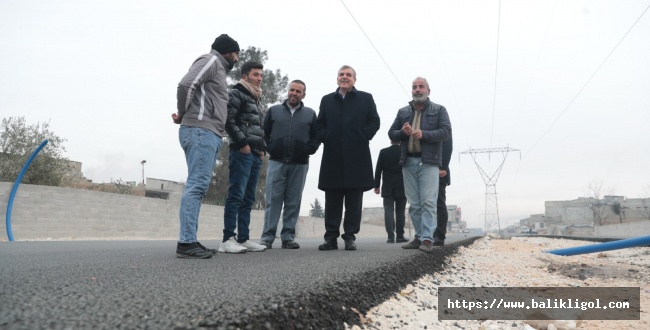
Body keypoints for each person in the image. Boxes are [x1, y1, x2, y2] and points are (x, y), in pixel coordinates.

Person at [173, 34, 240, 259]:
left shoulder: (218, 69)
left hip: (207, 132)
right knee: (196, 185)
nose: (237, 59)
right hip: (200, 130)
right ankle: (186, 242)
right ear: (228, 52)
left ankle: (190, 239)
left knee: (198, 186)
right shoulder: (211, 61)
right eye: (236, 54)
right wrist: (183, 112)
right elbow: (186, 84)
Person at [316, 65, 380, 251]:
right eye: (341, 75)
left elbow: (374, 121)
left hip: (357, 156)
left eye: (348, 75)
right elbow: (320, 123)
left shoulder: (365, 98)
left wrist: (364, 135)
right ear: (337, 79)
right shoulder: (327, 100)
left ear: (354, 79)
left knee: (354, 200)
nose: (345, 77)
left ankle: (350, 236)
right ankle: (331, 238)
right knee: (332, 200)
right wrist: (324, 136)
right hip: (333, 156)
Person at [388, 76, 451, 253]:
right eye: (414, 87)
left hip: (429, 161)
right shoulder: (403, 112)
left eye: (421, 87)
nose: (417, 89)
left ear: (428, 91)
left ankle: (427, 239)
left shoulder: (439, 110)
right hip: (408, 161)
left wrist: (425, 134)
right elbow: (392, 134)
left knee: (429, 202)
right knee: (414, 203)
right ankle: (419, 237)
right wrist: (403, 131)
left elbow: (446, 131)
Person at [259, 80, 320, 249]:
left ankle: (288, 237)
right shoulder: (274, 111)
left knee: (293, 201)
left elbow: (316, 136)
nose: (294, 93)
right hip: (276, 162)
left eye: (298, 91)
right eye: (292, 90)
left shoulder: (310, 114)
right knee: (273, 200)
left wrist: (310, 149)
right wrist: (269, 147)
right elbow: (264, 132)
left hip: (300, 164)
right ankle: (267, 237)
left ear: (303, 95)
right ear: (288, 91)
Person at [219, 61, 268, 253]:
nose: (259, 79)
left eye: (261, 75)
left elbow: (258, 127)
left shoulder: (256, 98)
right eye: (256, 75)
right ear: (245, 76)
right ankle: (227, 239)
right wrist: (243, 145)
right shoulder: (236, 93)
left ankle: (244, 238)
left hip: (255, 154)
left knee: (248, 197)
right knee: (236, 195)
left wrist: (262, 149)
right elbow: (228, 121)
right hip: (242, 152)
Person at [374, 139, 408, 244]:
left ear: (390, 140)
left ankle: (390, 237)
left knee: (388, 210)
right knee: (400, 211)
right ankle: (400, 236)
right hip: (402, 185)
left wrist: (376, 185)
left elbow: (378, 169)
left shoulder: (383, 152)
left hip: (388, 186)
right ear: (400, 141)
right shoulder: (405, 151)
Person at [433, 136, 453, 245]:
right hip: (427, 168)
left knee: (439, 203)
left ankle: (440, 235)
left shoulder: (443, 125)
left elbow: (448, 147)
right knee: (428, 204)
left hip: (440, 170)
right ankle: (430, 234)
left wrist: (443, 167)